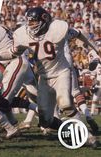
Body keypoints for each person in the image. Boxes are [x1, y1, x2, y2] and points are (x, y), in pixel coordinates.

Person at [11, 7, 99, 145]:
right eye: (30, 22)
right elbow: (13, 53)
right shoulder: (25, 35)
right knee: (45, 122)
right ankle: (71, 129)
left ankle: (87, 136)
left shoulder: (57, 29)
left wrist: (95, 49)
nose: (31, 25)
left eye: (34, 22)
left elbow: (79, 34)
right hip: (44, 77)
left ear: (44, 19)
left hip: (61, 71)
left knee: (66, 103)